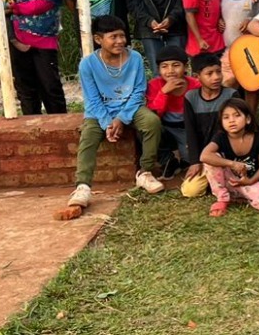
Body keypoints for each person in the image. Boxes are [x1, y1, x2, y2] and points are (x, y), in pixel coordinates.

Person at [66, 16, 164, 212]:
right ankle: (82, 186)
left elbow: (138, 91)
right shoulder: (88, 64)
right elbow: (92, 99)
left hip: (130, 107)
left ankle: (144, 172)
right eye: (114, 37)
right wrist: (107, 123)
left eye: (122, 36)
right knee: (88, 137)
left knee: (152, 122)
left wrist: (122, 118)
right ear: (98, 39)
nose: (120, 41)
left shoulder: (134, 58)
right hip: (99, 112)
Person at [12, 0, 66, 115]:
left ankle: (59, 125)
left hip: (45, 42)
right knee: (26, 90)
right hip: (20, 41)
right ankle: (31, 127)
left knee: (50, 87)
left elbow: (42, 4)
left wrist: (15, 8)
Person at [199, 98, 259, 217]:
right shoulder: (221, 137)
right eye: (226, 117)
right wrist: (232, 164)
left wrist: (250, 180)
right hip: (227, 181)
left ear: (248, 119)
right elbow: (204, 156)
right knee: (212, 158)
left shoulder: (257, 139)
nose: (231, 121)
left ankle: (238, 197)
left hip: (248, 182)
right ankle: (222, 198)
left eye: (236, 116)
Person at [181, 53, 238, 199]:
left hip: (227, 155)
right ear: (196, 76)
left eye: (218, 72)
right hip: (204, 157)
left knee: (238, 180)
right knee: (190, 191)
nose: (216, 77)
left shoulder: (232, 95)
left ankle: (219, 181)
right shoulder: (190, 98)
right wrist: (194, 161)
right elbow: (190, 131)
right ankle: (214, 180)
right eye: (209, 73)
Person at [145, 45, 200, 178]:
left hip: (187, 129)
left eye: (176, 65)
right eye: (164, 66)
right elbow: (154, 113)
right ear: (158, 69)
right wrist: (164, 92)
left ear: (186, 67)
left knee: (189, 158)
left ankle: (184, 159)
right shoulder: (154, 85)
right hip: (165, 128)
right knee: (151, 127)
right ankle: (168, 160)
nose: (170, 71)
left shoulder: (195, 86)